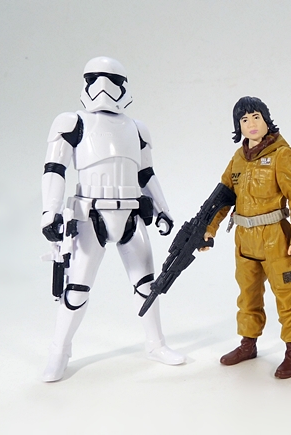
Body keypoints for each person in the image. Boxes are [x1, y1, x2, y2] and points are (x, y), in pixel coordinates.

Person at [40, 56, 185, 382]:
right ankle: (59, 352)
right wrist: (49, 211)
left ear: (124, 86)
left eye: (111, 79)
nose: (102, 86)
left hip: (131, 214)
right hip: (89, 214)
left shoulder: (136, 128)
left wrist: (162, 208)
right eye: (94, 78)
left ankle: (156, 344)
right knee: (76, 290)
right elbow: (54, 169)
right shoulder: (72, 122)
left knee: (148, 286)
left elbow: (146, 174)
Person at [204, 96, 291, 379]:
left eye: (256, 117)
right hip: (244, 239)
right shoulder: (238, 159)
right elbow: (224, 197)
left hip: (276, 238)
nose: (251, 124)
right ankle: (248, 344)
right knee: (247, 295)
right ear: (238, 126)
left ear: (266, 120)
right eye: (244, 119)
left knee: (287, 295)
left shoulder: (281, 154)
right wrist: (210, 229)